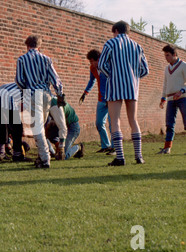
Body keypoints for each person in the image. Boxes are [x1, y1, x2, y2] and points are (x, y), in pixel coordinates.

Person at [98, 21, 149, 166]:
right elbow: (145, 70)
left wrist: (112, 75)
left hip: (115, 87)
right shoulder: (137, 46)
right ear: (128, 31)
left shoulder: (110, 43)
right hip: (132, 88)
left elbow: (101, 65)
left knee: (115, 121)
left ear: (115, 30)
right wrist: (133, 77)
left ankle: (120, 157)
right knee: (133, 120)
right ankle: (139, 156)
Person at [15, 35, 64, 169]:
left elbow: (19, 80)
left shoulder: (22, 59)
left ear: (27, 45)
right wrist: (59, 94)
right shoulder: (47, 59)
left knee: (37, 128)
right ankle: (42, 157)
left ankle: (45, 158)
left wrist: (26, 90)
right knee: (41, 126)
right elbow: (56, 80)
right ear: (39, 46)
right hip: (46, 95)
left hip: (32, 94)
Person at [79, 49, 114, 155]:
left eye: (92, 61)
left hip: (111, 99)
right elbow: (92, 80)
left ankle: (114, 147)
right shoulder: (93, 69)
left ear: (98, 59)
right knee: (99, 123)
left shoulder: (107, 66)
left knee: (113, 124)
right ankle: (105, 145)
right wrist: (85, 93)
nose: (91, 64)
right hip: (101, 99)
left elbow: (113, 81)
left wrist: (110, 96)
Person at [0, 82, 31, 162]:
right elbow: (22, 108)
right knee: (17, 128)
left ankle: (0, 153)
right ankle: (17, 155)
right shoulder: (31, 89)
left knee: (3, 126)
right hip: (6, 97)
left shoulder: (21, 83)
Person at [158, 44, 186, 154]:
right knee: (169, 124)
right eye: (165, 55)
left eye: (168, 55)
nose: (166, 58)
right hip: (170, 99)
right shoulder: (167, 68)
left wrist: (182, 91)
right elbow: (165, 84)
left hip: (183, 98)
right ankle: (167, 148)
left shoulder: (183, 65)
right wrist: (163, 98)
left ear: (174, 54)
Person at [46, 96, 84, 160]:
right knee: (49, 132)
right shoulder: (51, 103)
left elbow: (63, 127)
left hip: (73, 127)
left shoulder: (56, 105)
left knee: (63, 156)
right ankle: (57, 149)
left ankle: (78, 147)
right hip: (63, 126)